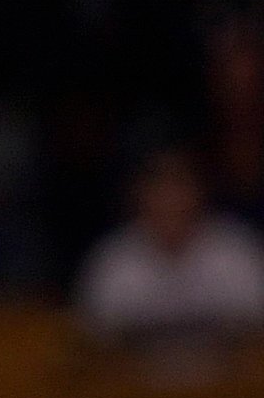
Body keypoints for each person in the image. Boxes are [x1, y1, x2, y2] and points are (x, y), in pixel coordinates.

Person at [77, 148, 264, 348]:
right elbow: (91, 343)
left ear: (200, 193)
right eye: (159, 189)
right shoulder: (113, 262)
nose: (170, 200)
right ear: (139, 196)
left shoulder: (237, 253)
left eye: (179, 187)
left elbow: (256, 336)